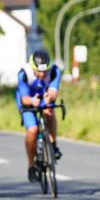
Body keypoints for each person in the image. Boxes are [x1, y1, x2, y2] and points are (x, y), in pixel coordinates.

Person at [16, 49, 63, 181]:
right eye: (39, 71)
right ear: (32, 67)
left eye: (45, 71)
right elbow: (24, 98)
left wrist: (49, 98)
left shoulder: (54, 71)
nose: (42, 74)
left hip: (44, 96)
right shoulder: (23, 73)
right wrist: (32, 101)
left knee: (49, 112)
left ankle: (53, 144)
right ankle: (31, 166)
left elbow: (53, 91)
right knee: (33, 130)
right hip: (28, 100)